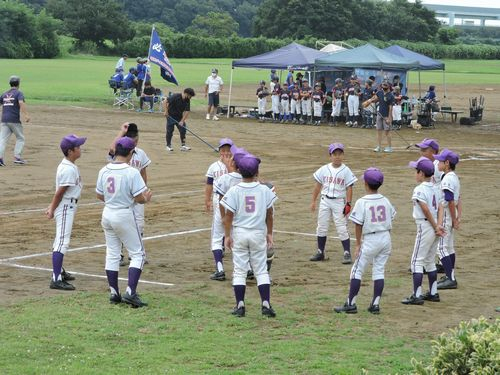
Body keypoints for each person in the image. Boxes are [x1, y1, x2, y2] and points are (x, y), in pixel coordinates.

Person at [96, 136, 153, 307]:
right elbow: (139, 198)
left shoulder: (104, 170)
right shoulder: (131, 172)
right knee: (138, 254)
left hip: (107, 213)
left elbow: (99, 195)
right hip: (124, 214)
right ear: (130, 153)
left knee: (112, 253)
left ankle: (114, 292)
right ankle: (130, 292)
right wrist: (146, 199)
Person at [221, 153, 278, 318]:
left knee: (239, 271)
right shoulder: (264, 190)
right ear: (256, 173)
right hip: (258, 233)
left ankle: (240, 305)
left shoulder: (234, 190)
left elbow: (228, 216)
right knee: (261, 270)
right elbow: (270, 214)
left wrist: (227, 235)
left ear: (239, 170)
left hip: (240, 233)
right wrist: (269, 233)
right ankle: (265, 304)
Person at [334, 168, 396, 314]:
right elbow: (391, 216)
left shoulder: (362, 202)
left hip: (371, 240)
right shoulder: (385, 200)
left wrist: (357, 244)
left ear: (366, 184)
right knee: (379, 270)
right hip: (386, 237)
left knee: (357, 270)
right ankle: (375, 305)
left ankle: (351, 303)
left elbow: (358, 224)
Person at [46, 134, 86, 290]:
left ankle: (59, 271)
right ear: (70, 151)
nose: (80, 149)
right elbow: (59, 193)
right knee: (62, 241)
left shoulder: (69, 165)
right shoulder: (68, 169)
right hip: (65, 207)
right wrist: (52, 209)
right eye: (78, 147)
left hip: (67, 205)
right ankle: (56, 279)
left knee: (60, 240)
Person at [401, 157, 444, 305]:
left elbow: (425, 209)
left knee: (416, 262)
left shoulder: (419, 189)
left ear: (421, 173)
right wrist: (438, 225)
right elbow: (441, 207)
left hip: (426, 226)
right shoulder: (436, 187)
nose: (415, 174)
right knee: (429, 261)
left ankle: (417, 295)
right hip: (435, 227)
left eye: (416, 171)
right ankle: (433, 293)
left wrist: (434, 226)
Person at [108, 123, 152, 267]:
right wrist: (121, 132)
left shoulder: (141, 153)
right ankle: (119, 254)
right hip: (123, 194)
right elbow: (111, 149)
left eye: (136, 139)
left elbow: (143, 173)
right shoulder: (119, 152)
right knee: (121, 223)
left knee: (139, 224)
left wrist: (144, 189)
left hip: (138, 193)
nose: (136, 141)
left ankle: (137, 254)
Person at [310, 143, 357, 264]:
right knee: (322, 226)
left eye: (340, 154)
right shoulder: (324, 169)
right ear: (330, 156)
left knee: (341, 227)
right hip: (325, 200)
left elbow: (349, 187)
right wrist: (313, 201)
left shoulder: (346, 170)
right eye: (334, 154)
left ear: (343, 155)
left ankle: (347, 252)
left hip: (339, 201)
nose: (337, 157)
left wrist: (348, 203)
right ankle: (320, 251)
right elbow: (318, 186)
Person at [205, 138, 233, 281]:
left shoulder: (237, 167)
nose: (226, 153)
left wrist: (229, 167)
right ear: (219, 151)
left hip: (232, 201)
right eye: (223, 150)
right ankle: (221, 269)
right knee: (221, 232)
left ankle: (245, 268)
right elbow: (209, 184)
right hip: (218, 200)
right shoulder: (213, 167)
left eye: (228, 150)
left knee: (222, 235)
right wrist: (207, 199)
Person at [435, 149, 461, 290]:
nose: (438, 163)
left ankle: (451, 279)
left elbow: (449, 201)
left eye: (440, 161)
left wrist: (453, 219)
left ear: (447, 163)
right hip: (451, 213)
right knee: (449, 246)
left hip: (446, 214)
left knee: (441, 247)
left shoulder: (448, 178)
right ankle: (449, 275)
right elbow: (458, 199)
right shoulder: (453, 176)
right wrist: (457, 217)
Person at [0, 75, 30, 166]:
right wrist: (26, 115)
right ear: (18, 84)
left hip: (4, 120)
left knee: (2, 140)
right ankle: (17, 157)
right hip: (14, 120)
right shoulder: (18, 93)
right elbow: (21, 103)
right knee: (20, 138)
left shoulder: (4, 94)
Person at [364, 80, 395, 153]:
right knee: (378, 131)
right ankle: (379, 146)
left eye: (385, 85)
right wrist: (369, 102)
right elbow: (375, 99)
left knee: (387, 132)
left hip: (386, 115)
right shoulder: (379, 92)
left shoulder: (391, 96)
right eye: (383, 85)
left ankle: (389, 147)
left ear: (388, 86)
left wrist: (389, 118)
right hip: (379, 114)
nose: (383, 86)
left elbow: (391, 108)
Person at [163, 88, 195, 152]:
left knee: (183, 130)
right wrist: (166, 111)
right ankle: (168, 146)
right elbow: (165, 101)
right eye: (190, 96)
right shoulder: (175, 96)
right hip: (170, 116)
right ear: (186, 94)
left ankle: (183, 146)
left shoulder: (187, 100)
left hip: (179, 117)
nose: (190, 97)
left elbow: (187, 111)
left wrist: (182, 121)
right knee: (170, 131)